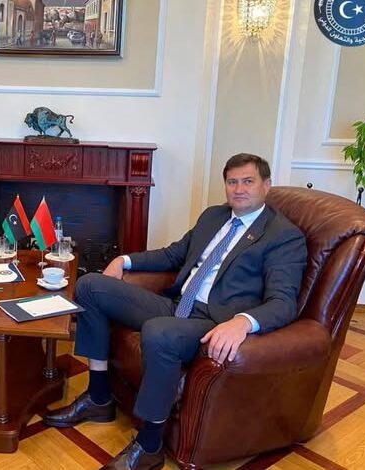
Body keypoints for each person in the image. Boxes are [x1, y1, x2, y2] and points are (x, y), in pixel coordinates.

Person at [43, 153, 307, 470]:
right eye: (232, 182)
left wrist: (243, 322)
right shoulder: (214, 216)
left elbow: (284, 301)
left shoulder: (283, 236)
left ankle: (149, 446)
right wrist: (124, 260)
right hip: (178, 304)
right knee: (90, 285)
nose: (238, 189)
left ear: (266, 185)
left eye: (248, 181)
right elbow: (173, 255)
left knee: (159, 332)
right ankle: (99, 398)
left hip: (213, 321)